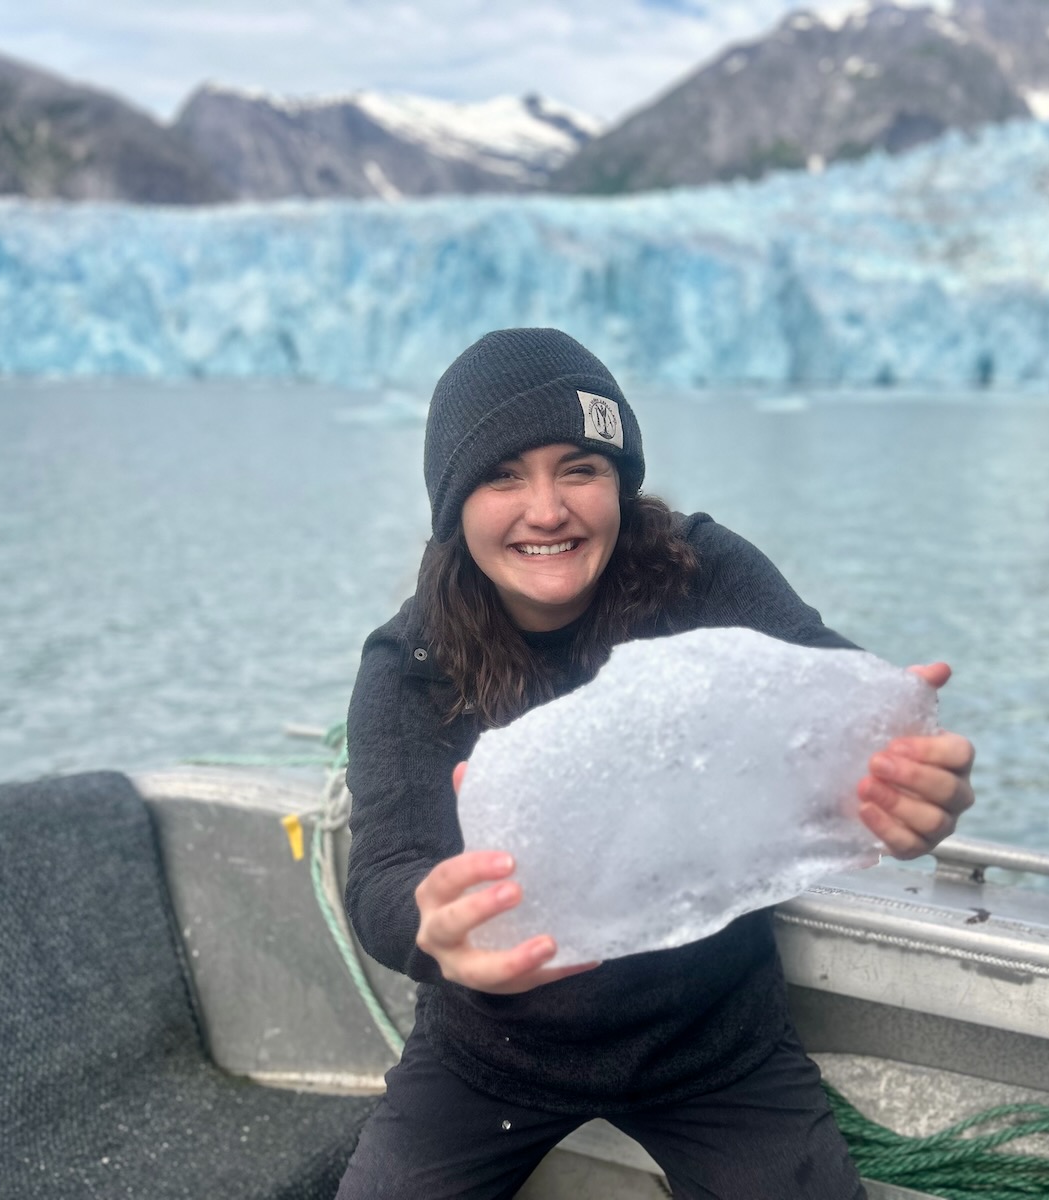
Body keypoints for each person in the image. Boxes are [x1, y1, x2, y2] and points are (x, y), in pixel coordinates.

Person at [337, 328, 975, 1199]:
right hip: (490, 1052)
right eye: (502, 476)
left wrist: (905, 780)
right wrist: (431, 924)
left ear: (619, 483)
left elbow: (832, 701)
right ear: (454, 507)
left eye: (580, 468)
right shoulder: (412, 662)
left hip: (713, 1041)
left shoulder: (703, 574)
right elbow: (380, 873)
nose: (547, 508)